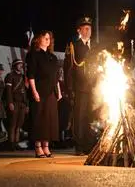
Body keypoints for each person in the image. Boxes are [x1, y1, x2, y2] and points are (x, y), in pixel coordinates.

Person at [26, 30, 62, 158]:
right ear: (38, 39)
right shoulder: (33, 55)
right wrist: (34, 91)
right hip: (39, 90)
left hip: (51, 91)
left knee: (49, 119)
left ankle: (46, 146)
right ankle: (38, 147)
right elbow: (31, 75)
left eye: (49, 38)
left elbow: (56, 76)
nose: (47, 40)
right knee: (39, 118)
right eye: (45, 37)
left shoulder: (52, 57)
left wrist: (59, 91)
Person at [64, 17, 95, 155]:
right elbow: (69, 68)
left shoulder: (95, 46)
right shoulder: (74, 46)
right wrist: (70, 88)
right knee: (79, 116)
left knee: (90, 117)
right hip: (80, 87)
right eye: (86, 28)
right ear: (79, 30)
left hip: (94, 88)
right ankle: (79, 145)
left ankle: (89, 145)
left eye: (90, 28)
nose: (88, 31)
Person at [5, 59, 28, 151]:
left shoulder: (23, 76)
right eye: (19, 64)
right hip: (14, 102)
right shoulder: (10, 76)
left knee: (19, 125)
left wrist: (26, 104)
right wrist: (10, 102)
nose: (21, 66)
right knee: (13, 125)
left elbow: (25, 92)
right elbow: (8, 91)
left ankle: (16, 142)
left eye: (21, 64)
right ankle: (11, 143)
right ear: (15, 65)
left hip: (22, 103)